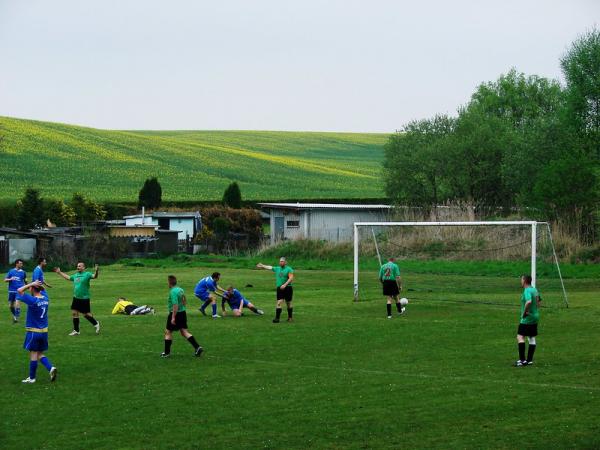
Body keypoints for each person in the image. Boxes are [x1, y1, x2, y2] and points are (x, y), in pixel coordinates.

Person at [16, 280, 57, 383]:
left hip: (34, 332)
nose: (29, 288)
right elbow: (43, 290)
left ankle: (32, 378)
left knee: (33, 354)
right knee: (39, 353)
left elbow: (19, 290)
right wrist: (36, 285)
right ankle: (51, 368)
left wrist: (31, 284)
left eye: (30, 288)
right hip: (44, 332)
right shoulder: (46, 298)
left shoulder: (33, 300)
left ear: (33, 288)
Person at [54, 262, 101, 336]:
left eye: (79, 266)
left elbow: (95, 276)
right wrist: (59, 272)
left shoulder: (87, 274)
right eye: (77, 266)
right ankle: (76, 331)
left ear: (83, 267)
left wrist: (96, 271)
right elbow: (68, 278)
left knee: (86, 314)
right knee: (74, 313)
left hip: (84, 298)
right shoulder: (76, 275)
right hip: (76, 298)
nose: (78, 267)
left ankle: (96, 323)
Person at [162, 275, 203, 358]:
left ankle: (166, 353)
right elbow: (184, 300)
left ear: (169, 282)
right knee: (184, 332)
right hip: (182, 313)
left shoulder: (173, 291)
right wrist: (183, 306)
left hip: (175, 313)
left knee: (168, 332)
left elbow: (175, 305)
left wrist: (173, 317)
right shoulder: (180, 289)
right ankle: (197, 347)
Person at [256, 257, 294, 323]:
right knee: (279, 302)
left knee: (288, 303)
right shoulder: (277, 268)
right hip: (279, 288)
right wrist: (262, 265)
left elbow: (291, 278)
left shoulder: (289, 269)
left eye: (282, 261)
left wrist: (284, 285)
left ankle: (290, 317)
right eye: (280, 261)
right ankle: (277, 319)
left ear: (285, 262)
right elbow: (270, 267)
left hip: (288, 288)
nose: (281, 262)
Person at [515, 274, 542, 367]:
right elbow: (539, 302)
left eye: (521, 280)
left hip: (527, 317)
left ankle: (522, 360)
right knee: (531, 337)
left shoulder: (527, 290)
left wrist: (525, 312)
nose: (520, 281)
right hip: (535, 316)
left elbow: (529, 301)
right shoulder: (534, 289)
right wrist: (535, 310)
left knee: (520, 337)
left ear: (525, 281)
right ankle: (529, 360)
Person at [4, 258, 26, 323]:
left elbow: (25, 281)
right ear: (16, 264)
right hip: (11, 291)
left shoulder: (23, 272)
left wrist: (25, 287)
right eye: (20, 263)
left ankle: (16, 318)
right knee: (11, 305)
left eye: (22, 263)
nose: (21, 264)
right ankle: (14, 316)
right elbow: (5, 280)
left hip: (19, 290)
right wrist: (10, 279)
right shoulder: (11, 271)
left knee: (17, 303)